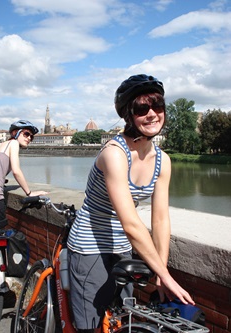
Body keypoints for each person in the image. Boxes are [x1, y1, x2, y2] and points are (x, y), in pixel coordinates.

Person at [67, 74, 195, 333]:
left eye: (157, 106)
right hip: (91, 244)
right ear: (128, 115)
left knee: (122, 317)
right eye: (141, 108)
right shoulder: (114, 154)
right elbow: (130, 223)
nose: (152, 114)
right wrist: (168, 279)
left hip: (123, 246)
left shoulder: (163, 160)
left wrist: (161, 270)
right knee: (89, 326)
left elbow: (159, 219)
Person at [0, 119, 48, 228]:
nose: (29, 138)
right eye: (26, 134)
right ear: (14, 133)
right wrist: (29, 193)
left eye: (32, 136)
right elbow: (16, 171)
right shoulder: (13, 143)